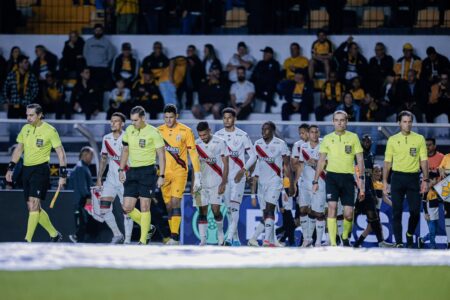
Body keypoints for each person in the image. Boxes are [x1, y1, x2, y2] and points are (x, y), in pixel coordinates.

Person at [5, 104, 66, 242]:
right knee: (32, 207)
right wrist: (10, 168)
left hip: (41, 170)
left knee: (33, 204)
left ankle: (27, 241)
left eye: (31, 115)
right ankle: (54, 234)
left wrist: (63, 175)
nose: (28, 118)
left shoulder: (50, 130)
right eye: (27, 115)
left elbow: (61, 153)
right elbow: (19, 149)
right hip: (27, 170)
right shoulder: (25, 128)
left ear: (40, 115)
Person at [313, 110, 365, 247]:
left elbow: (360, 160)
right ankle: (333, 244)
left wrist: (362, 183)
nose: (340, 122)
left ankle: (345, 236)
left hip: (348, 178)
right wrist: (315, 180)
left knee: (348, 214)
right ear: (333, 122)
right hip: (332, 177)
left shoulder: (353, 137)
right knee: (332, 207)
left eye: (342, 120)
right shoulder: (327, 138)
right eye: (337, 120)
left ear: (346, 121)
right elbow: (321, 161)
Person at [119, 106, 166, 245]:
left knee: (145, 206)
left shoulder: (153, 132)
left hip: (148, 171)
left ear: (143, 118)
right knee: (127, 208)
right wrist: (121, 169)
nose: (133, 123)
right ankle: (148, 227)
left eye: (136, 120)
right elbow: (125, 150)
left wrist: (162, 175)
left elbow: (162, 156)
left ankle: (143, 240)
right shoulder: (129, 130)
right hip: (132, 171)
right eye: (132, 120)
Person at [383, 111, 429, 248]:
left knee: (415, 211)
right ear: (399, 123)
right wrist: (385, 181)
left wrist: (426, 180)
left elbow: (424, 160)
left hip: (413, 178)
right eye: (404, 122)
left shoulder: (419, 138)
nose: (407, 125)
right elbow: (387, 163)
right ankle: (398, 242)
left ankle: (409, 234)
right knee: (396, 211)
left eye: (409, 122)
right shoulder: (392, 140)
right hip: (397, 178)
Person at [158, 104, 201, 245]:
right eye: (166, 117)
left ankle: (175, 238)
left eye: (171, 117)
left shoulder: (185, 131)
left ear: (176, 116)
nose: (168, 120)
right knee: (169, 206)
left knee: (176, 202)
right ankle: (173, 236)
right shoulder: (158, 131)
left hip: (179, 172)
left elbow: (193, 154)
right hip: (164, 173)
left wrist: (198, 175)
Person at [216, 107, 257, 246]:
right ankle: (236, 239)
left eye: (229, 117)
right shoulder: (218, 135)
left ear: (235, 119)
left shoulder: (242, 135)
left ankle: (228, 238)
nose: (227, 120)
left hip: (238, 177)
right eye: (225, 117)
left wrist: (243, 170)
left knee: (234, 207)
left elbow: (253, 156)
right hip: (224, 177)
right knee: (228, 209)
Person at [251, 122, 294, 247]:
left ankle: (266, 241)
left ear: (273, 131)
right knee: (267, 214)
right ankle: (268, 239)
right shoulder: (258, 144)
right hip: (262, 185)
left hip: (275, 182)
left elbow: (287, 166)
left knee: (270, 210)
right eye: (262, 129)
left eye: (267, 129)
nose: (264, 132)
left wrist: (290, 184)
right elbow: (254, 162)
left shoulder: (280, 144)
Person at [96, 112, 134, 244]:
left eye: (116, 121)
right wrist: (99, 177)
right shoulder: (106, 138)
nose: (113, 123)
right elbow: (104, 158)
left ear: (122, 124)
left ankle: (128, 240)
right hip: (111, 179)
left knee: (127, 211)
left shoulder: (128, 137)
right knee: (103, 208)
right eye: (111, 121)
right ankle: (117, 234)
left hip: (125, 179)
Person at [353, 135, 394, 248]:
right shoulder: (355, 154)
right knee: (348, 216)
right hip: (356, 190)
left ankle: (381, 242)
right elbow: (352, 172)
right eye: (364, 141)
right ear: (361, 142)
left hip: (367, 191)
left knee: (374, 217)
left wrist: (374, 193)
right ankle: (341, 240)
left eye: (368, 141)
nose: (366, 143)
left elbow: (369, 176)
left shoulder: (371, 155)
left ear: (371, 143)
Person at [194, 121, 229, 245]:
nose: (202, 137)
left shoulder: (220, 142)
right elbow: (194, 165)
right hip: (200, 183)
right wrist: (194, 183)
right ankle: (203, 240)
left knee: (216, 211)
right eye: (200, 135)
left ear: (209, 130)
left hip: (216, 182)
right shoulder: (196, 144)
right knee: (201, 211)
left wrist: (223, 183)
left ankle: (220, 235)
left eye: (204, 134)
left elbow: (226, 164)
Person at [296, 125, 327, 247]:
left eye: (316, 132)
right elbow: (300, 164)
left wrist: (318, 163)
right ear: (308, 134)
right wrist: (295, 182)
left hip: (319, 182)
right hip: (304, 183)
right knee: (303, 210)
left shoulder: (324, 144)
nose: (314, 134)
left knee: (318, 213)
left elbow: (329, 162)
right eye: (312, 132)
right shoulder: (303, 146)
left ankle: (318, 241)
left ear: (319, 133)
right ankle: (307, 239)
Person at [68, 146, 95, 243]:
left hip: (80, 201)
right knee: (82, 223)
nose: (92, 159)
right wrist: (88, 197)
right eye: (91, 155)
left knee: (83, 223)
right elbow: (82, 186)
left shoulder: (82, 167)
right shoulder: (80, 168)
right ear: (85, 154)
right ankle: (77, 240)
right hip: (80, 202)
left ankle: (78, 240)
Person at [2, 55, 39, 119]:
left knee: (27, 127)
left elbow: (36, 89)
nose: (27, 64)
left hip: (26, 106)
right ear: (20, 64)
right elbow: (5, 88)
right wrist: (6, 101)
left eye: (27, 62)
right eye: (25, 62)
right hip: (13, 105)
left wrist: (29, 99)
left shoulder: (31, 76)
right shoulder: (12, 75)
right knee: (12, 127)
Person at [142, 41, 177, 106]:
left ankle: (170, 109)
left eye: (159, 48)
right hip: (149, 81)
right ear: (153, 48)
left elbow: (166, 73)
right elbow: (144, 73)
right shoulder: (147, 59)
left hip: (160, 81)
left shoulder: (165, 59)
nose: (157, 49)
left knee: (166, 88)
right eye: (156, 48)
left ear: (161, 49)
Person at [83, 24, 115, 91]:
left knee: (101, 86)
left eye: (100, 30)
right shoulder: (89, 41)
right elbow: (85, 53)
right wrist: (89, 61)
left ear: (102, 31)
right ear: (94, 31)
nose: (98, 32)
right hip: (91, 66)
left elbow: (111, 53)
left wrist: (105, 61)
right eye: (96, 30)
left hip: (102, 67)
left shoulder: (107, 42)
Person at [173, 45, 203, 109]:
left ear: (194, 52)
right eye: (188, 50)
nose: (189, 52)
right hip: (184, 81)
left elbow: (199, 74)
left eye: (191, 50)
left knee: (189, 88)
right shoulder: (184, 60)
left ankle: (188, 106)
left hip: (194, 82)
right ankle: (178, 104)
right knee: (178, 88)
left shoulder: (198, 61)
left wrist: (193, 66)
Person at [251, 46, 280, 113]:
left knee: (270, 88)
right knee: (252, 89)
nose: (264, 55)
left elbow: (276, 76)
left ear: (270, 55)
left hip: (270, 85)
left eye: (266, 54)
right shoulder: (260, 63)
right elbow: (254, 75)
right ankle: (269, 100)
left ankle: (267, 110)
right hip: (259, 85)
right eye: (264, 53)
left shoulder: (275, 64)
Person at [438, 153, 450, 249]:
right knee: (448, 216)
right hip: (448, 191)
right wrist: (442, 171)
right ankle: (449, 241)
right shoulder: (447, 157)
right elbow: (440, 168)